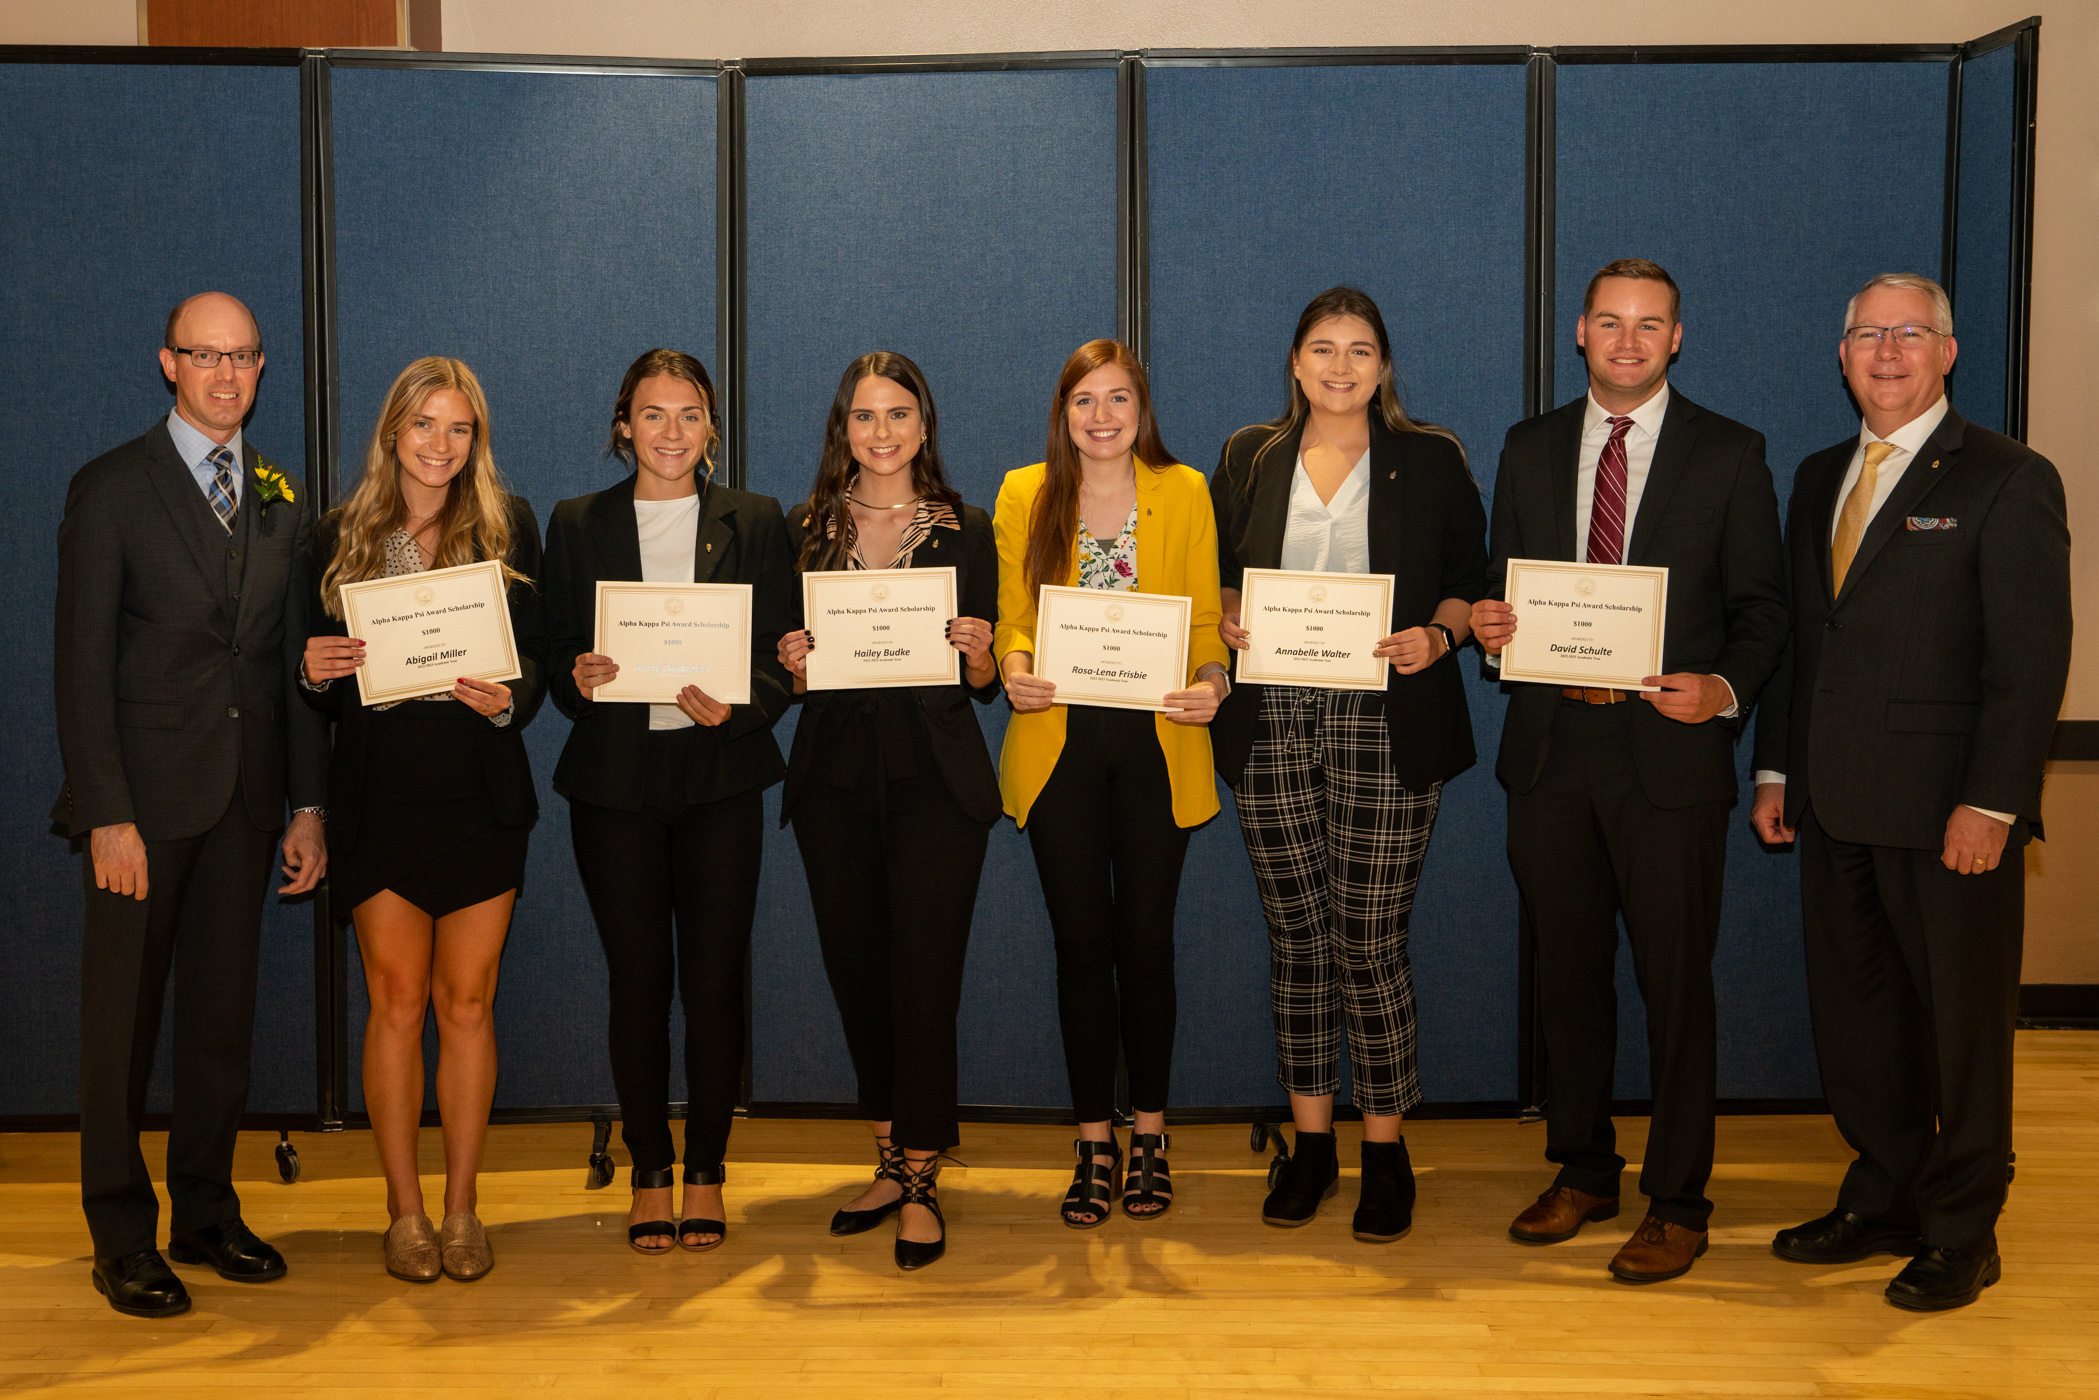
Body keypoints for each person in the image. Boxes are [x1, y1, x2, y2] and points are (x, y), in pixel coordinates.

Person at [1751, 273, 2071, 1311]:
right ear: (1839, 353)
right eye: (1864, 334)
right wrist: (1774, 765)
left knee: (1960, 1029)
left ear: (1945, 351)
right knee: (1858, 1022)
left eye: (1907, 333)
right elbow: (1806, 640)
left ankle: (1960, 1226)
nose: (1883, 350)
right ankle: (1881, 1190)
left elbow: (2027, 662)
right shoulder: (1814, 478)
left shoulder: (2003, 475)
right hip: (1831, 803)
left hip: (1946, 817)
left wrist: (1992, 800)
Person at [1469, 258, 1788, 1283]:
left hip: (1668, 754)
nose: (1627, 339)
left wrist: (1720, 688)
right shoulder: (1526, 448)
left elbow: (1763, 613)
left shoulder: (1731, 454)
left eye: (1648, 324)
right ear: (1578, 332)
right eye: (1609, 321)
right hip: (1551, 750)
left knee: (1673, 985)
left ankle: (1678, 1196)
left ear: (1675, 339)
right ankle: (1583, 1166)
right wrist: (1489, 623)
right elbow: (1497, 587)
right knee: (1566, 980)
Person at [55, 292, 329, 1318]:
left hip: (247, 800)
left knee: (220, 1020)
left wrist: (307, 804)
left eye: (244, 356)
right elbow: (80, 668)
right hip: (142, 809)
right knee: (118, 1030)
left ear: (262, 368)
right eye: (205, 355)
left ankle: (206, 1209)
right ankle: (120, 1232)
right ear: (166, 362)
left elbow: (285, 665)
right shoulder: (112, 489)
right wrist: (104, 811)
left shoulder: (277, 496)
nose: (226, 374)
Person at [1210, 287, 1487, 1242]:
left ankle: (1385, 1152)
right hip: (1271, 716)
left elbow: (1470, 582)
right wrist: (1223, 615)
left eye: (1359, 349)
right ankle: (1312, 1145)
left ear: (1383, 365)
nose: (1339, 366)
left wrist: (1437, 639)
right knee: (1296, 941)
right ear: (1294, 362)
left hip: (1390, 718)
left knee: (1369, 943)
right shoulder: (1249, 455)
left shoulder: (1431, 456)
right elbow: (1213, 573)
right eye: (1321, 348)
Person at [542, 349, 795, 1256]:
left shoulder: (758, 520)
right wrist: (575, 675)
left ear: (712, 429)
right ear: (623, 426)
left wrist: (746, 703)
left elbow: (782, 655)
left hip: (721, 776)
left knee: (716, 981)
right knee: (638, 979)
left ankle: (708, 1171)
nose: (671, 432)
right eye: (652, 414)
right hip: (614, 784)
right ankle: (650, 1167)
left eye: (690, 414)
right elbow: (558, 653)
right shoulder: (575, 522)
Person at [300, 357, 544, 1284]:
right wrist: (312, 674)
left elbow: (542, 666)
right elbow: (309, 682)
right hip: (380, 801)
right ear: (392, 432)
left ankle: (463, 1210)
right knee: (396, 1004)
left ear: (475, 440)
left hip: (481, 802)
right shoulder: (338, 535)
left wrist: (506, 699)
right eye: (424, 426)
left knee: (468, 1003)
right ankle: (403, 1214)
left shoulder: (508, 528)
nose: (441, 446)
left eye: (459, 429)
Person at [994, 338, 1230, 1228]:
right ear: (1063, 413)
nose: (1101, 417)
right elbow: (1016, 617)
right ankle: (1094, 1140)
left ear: (1142, 409)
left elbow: (1206, 621)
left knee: (1146, 946)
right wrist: (1014, 664)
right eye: (1084, 401)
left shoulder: (1185, 491)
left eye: (1118, 399)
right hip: (1056, 744)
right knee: (1080, 949)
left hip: (1157, 743)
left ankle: (1152, 1137)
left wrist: (1213, 683)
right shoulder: (1026, 493)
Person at [775, 352, 1001, 1271]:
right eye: (864, 417)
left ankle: (919, 1180)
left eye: (898, 414)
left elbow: (982, 680)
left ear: (923, 424)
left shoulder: (965, 527)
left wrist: (979, 652)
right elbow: (788, 672)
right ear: (843, 428)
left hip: (935, 785)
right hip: (832, 780)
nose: (881, 433)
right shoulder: (804, 529)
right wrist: (790, 659)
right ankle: (885, 1154)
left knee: (924, 978)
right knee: (857, 972)